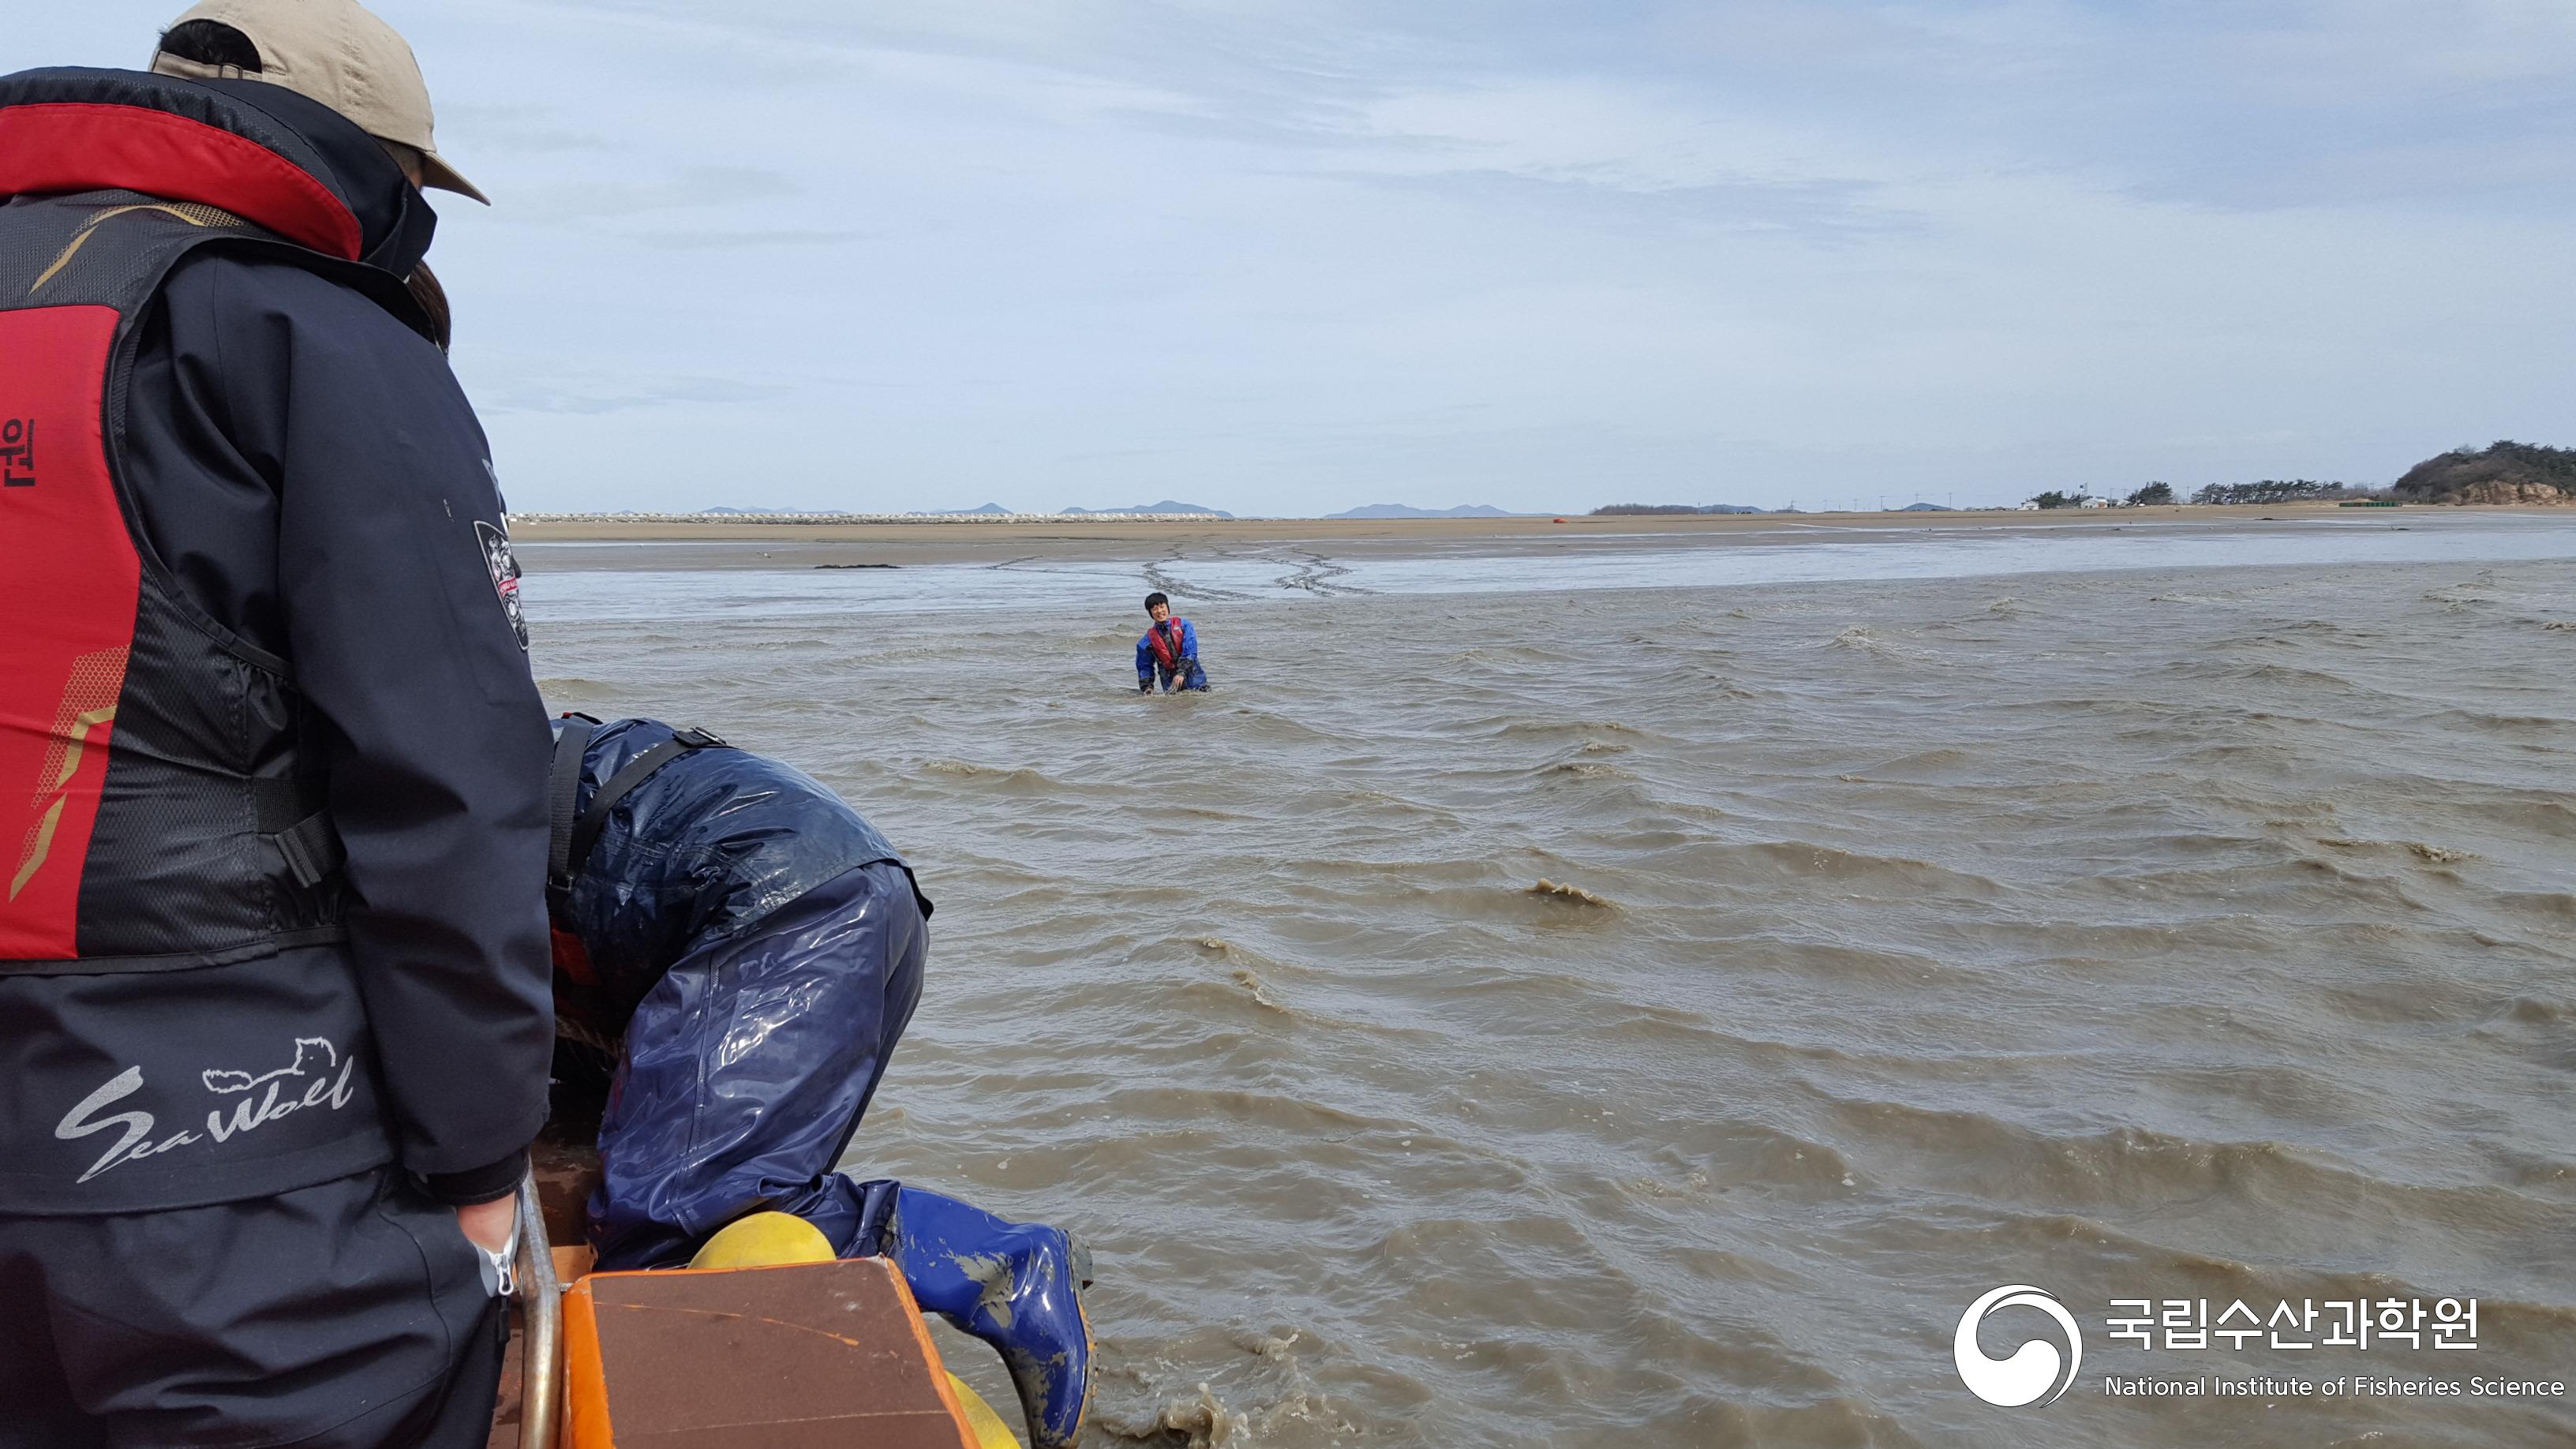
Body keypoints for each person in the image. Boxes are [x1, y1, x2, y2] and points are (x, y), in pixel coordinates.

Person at [0, 7, 551, 1449]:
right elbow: (451, 786)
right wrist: (484, 1163)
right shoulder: (311, 332)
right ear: (376, 171)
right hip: (224, 1177)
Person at [545, 715, 1095, 1449]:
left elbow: (455, 1024)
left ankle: (994, 1265)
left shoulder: (416, 816)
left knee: (675, 1230)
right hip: (853, 891)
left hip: (784, 909)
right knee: (708, 1197)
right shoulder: (464, 755)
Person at [1136, 591, 1210, 691]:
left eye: (1162, 607)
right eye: (1154, 609)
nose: (1159, 611)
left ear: (1168, 607)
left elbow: (1191, 649)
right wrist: (1147, 687)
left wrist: (1181, 672)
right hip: (1170, 683)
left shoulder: (1185, 625)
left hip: (1195, 678)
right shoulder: (1146, 641)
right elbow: (1144, 666)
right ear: (1150, 612)